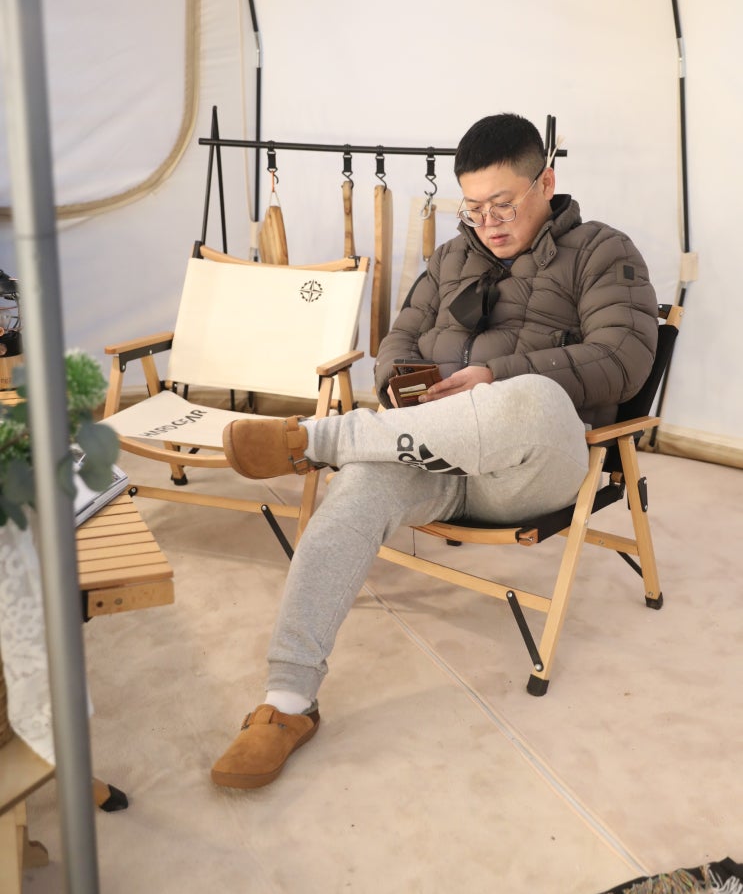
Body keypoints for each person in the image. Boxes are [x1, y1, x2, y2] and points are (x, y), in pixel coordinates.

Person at [210, 112, 658, 790]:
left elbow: (622, 360)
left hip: (532, 466)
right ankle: (287, 701)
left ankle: (321, 440)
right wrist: (403, 384)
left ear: (546, 183)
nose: (488, 222)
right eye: (473, 207)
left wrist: (494, 377)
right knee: (357, 488)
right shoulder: (450, 259)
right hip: (434, 455)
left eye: (503, 204)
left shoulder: (602, 251)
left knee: (531, 396)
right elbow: (399, 340)